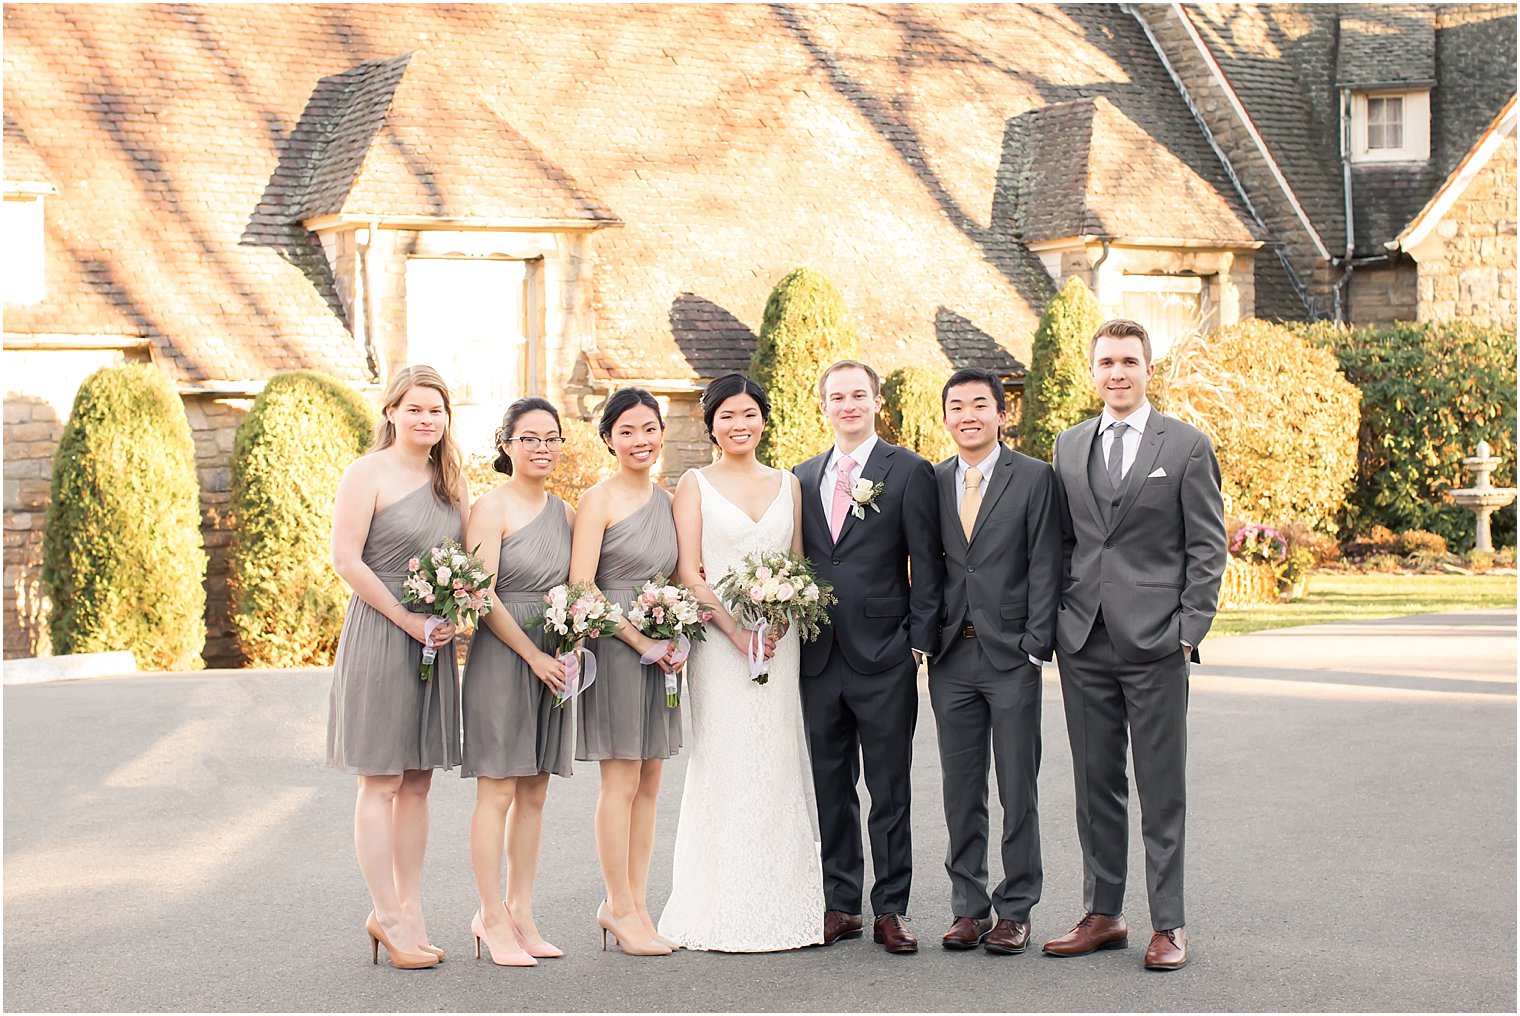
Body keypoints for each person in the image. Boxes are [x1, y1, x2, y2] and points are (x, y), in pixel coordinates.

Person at [1043, 319, 1227, 972]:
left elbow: (1207, 545)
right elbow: (1061, 541)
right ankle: (1104, 913)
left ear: (1148, 369)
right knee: (1095, 787)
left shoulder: (1184, 446)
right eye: (1106, 362)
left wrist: (1187, 631)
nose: (1117, 372)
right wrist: (1060, 622)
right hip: (1084, 642)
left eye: (1128, 361)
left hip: (1155, 645)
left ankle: (1169, 924)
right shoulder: (1066, 446)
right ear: (1092, 372)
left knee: (1160, 788)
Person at [657, 373, 824, 952]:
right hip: (719, 646)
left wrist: (778, 622)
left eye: (749, 413)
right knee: (724, 761)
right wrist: (734, 631)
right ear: (711, 425)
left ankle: (785, 903)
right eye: (727, 415)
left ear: (763, 418)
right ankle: (716, 904)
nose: (739, 425)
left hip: (778, 645)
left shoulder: (790, 483)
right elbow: (689, 570)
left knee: (776, 763)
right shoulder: (694, 484)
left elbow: (798, 563)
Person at [793, 360, 944, 954]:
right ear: (823, 406)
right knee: (831, 784)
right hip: (818, 655)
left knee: (889, 786)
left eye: (859, 395)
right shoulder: (801, 478)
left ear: (876, 401)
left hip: (885, 655)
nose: (848, 405)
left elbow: (927, 563)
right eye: (837, 396)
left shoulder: (908, 472)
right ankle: (840, 903)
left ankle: (891, 909)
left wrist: (917, 639)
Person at [328, 365, 468, 970]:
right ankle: (384, 913)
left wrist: (457, 612)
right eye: (414, 408)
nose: (425, 419)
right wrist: (405, 619)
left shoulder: (452, 483)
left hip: (433, 639)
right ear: (391, 412)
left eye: (435, 410)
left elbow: (467, 560)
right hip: (382, 634)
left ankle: (408, 909)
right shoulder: (368, 473)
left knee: (418, 780)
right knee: (380, 779)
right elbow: (345, 559)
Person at [929, 367, 1060, 955]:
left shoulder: (1034, 477)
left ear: (1000, 413)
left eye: (979, 404)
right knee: (960, 789)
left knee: (1016, 786)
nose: (968, 416)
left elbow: (1046, 562)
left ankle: (1016, 909)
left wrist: (1035, 642)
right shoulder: (930, 482)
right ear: (947, 417)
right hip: (951, 655)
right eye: (956, 407)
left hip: (1011, 656)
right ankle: (968, 907)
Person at [460, 398, 576, 967]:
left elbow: (580, 588)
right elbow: (481, 595)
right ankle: (489, 915)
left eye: (551, 438)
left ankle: (522, 911)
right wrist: (532, 654)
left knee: (535, 791)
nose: (541, 448)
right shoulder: (491, 508)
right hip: (506, 659)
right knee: (498, 790)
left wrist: (571, 643)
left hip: (553, 659)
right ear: (505, 444)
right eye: (529, 438)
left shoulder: (567, 513)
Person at [570, 387, 682, 957]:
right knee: (620, 781)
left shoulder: (668, 500)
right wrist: (641, 640)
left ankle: (637, 905)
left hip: (662, 655)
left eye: (649, 428)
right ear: (609, 439)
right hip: (617, 651)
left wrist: (677, 635)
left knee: (651, 781)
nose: (641, 440)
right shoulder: (598, 500)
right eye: (628, 431)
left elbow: (681, 579)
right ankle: (617, 904)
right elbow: (582, 588)